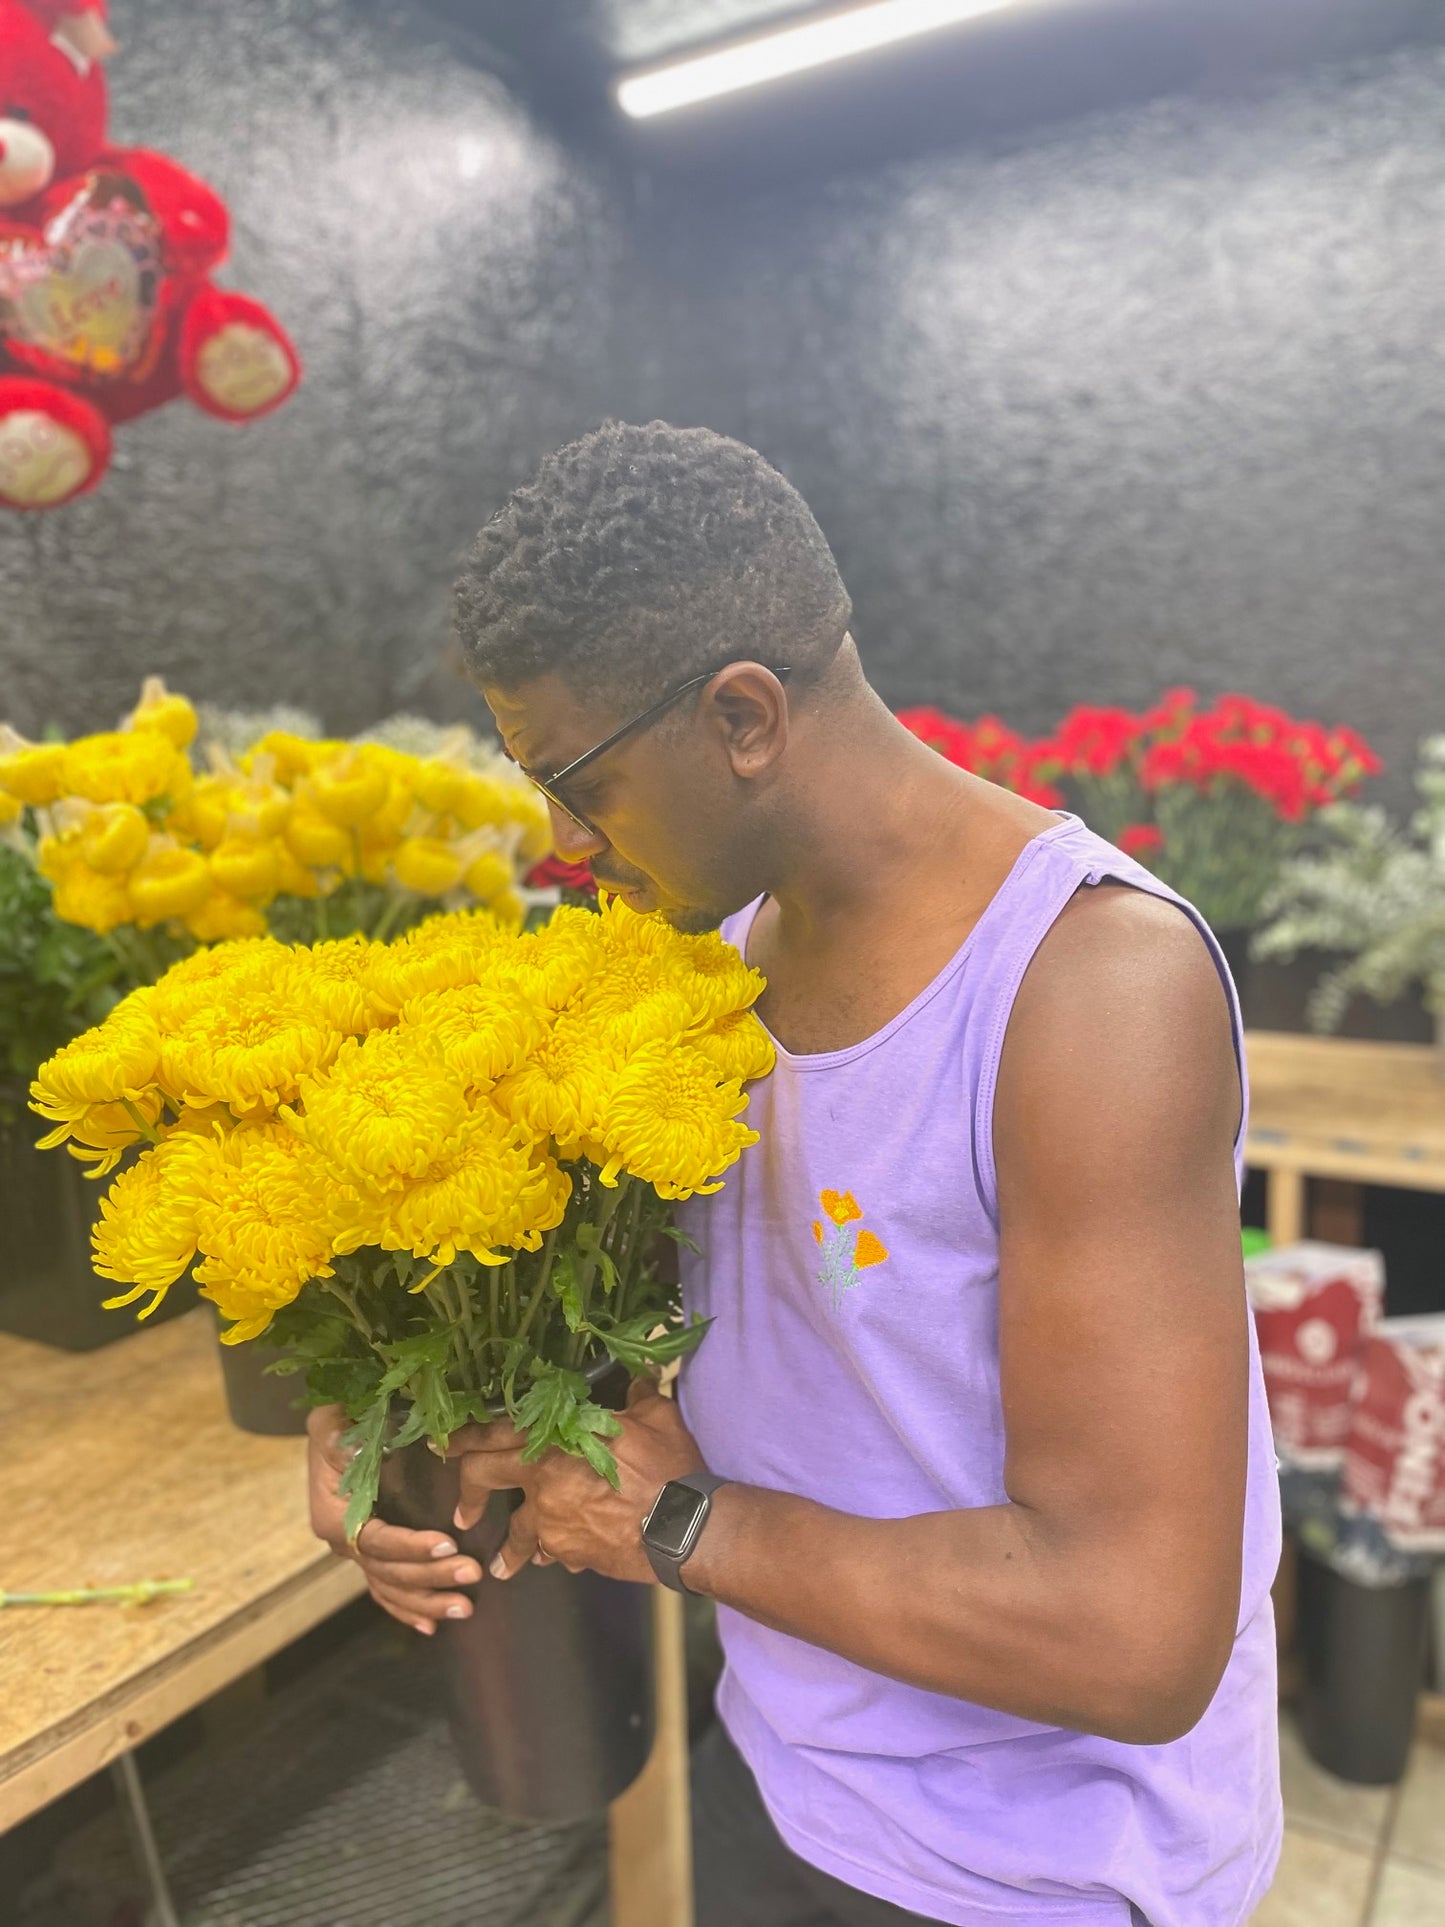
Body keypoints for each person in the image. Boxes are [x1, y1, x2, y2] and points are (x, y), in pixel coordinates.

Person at [307, 420, 1282, 1926]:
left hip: (1042, 1874)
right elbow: (719, 1335)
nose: (561, 840)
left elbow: (1134, 1638)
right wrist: (393, 1425)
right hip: (798, 1778)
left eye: (577, 779)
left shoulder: (1086, 989)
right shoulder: (727, 954)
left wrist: (685, 1526)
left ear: (744, 715)